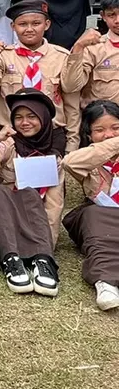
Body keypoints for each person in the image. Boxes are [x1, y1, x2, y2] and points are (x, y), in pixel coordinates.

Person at [0, 89, 63, 297]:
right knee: (1, 190)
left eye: (31, 117)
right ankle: (11, 259)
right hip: (6, 214)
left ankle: (43, 260)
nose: (24, 122)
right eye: (18, 117)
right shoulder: (9, 144)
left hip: (36, 220)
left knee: (30, 195)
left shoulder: (53, 159)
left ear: (44, 119)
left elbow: (54, 204)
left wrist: (49, 244)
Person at [0, 0, 80, 152]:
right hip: (10, 134)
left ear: (47, 24)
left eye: (36, 23)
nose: (29, 29)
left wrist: (72, 143)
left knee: (50, 175)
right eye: (22, 24)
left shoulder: (62, 57)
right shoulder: (3, 56)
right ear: (13, 27)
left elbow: (72, 104)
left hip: (51, 134)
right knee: (10, 175)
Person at [61, 100, 119, 311]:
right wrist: (113, 144)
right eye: (99, 130)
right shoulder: (90, 159)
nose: (109, 134)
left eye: (116, 128)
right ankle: (105, 282)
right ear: (89, 134)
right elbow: (69, 163)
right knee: (93, 215)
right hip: (102, 216)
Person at [64, 0, 119, 104]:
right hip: (102, 119)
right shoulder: (93, 48)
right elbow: (71, 87)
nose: (117, 20)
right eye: (112, 15)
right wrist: (78, 47)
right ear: (103, 16)